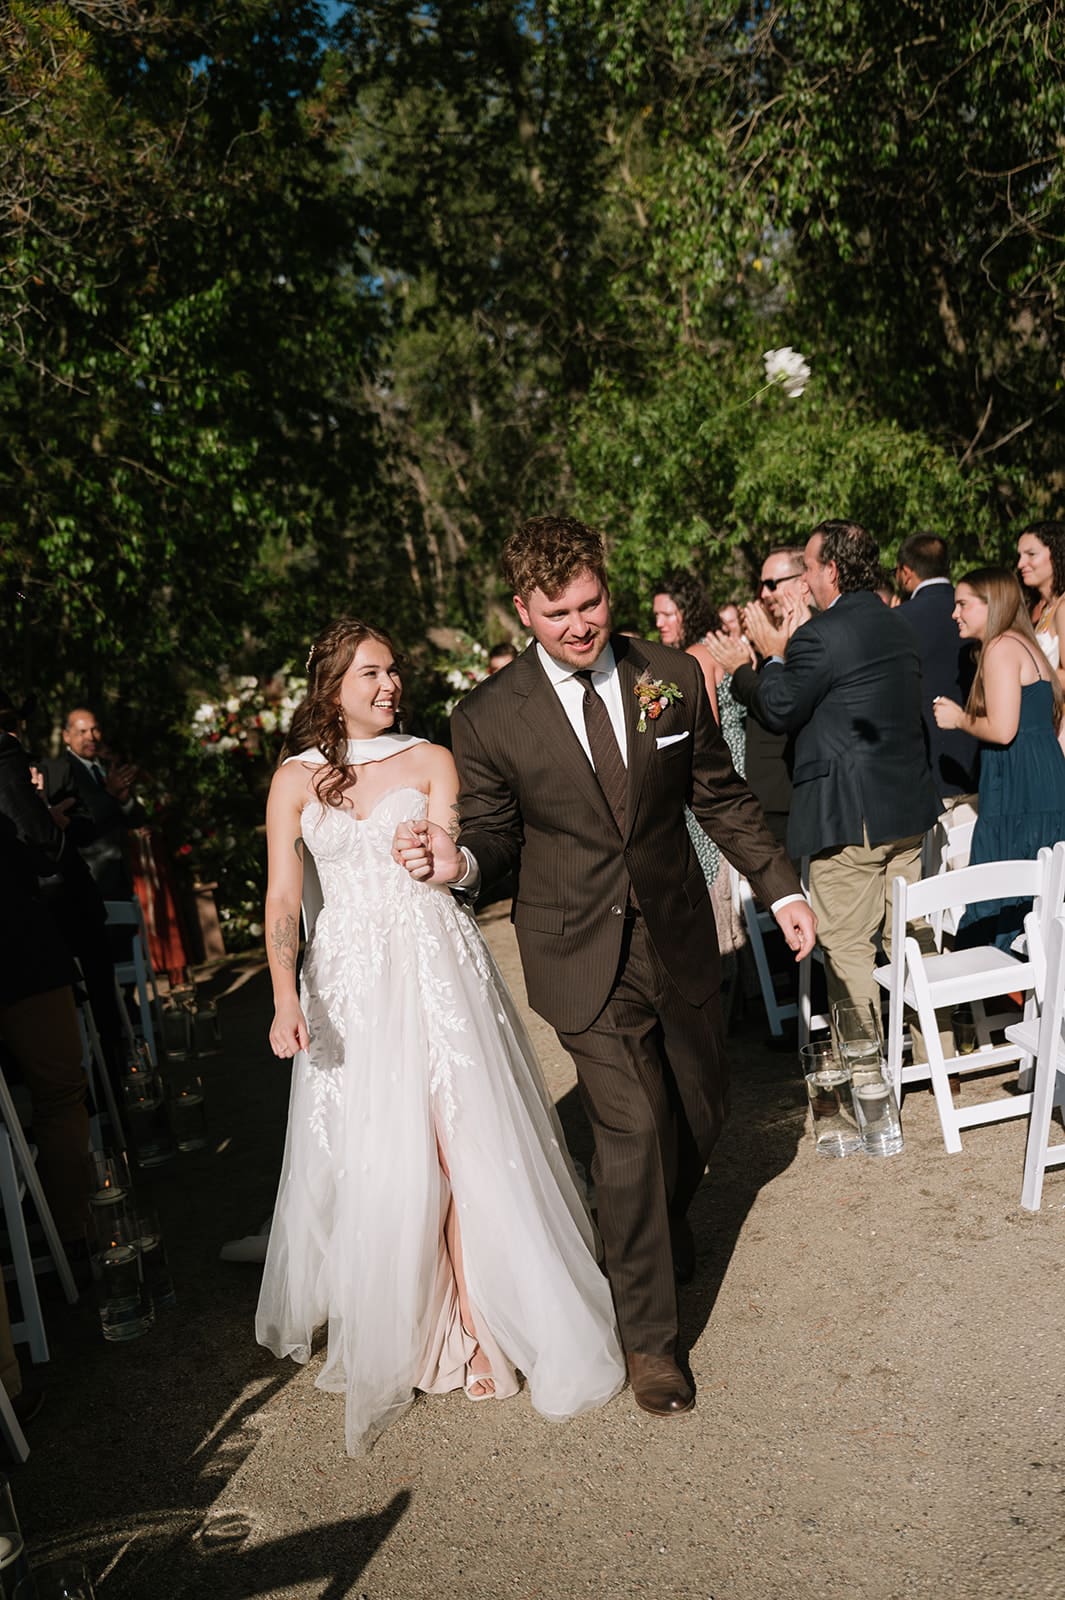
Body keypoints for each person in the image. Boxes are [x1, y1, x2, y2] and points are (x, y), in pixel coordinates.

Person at [393, 516, 814, 1419]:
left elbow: (717, 793)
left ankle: (655, 1230)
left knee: (701, 1110)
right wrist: (456, 866)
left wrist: (778, 888)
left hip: (676, 933)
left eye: (591, 604)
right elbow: (493, 835)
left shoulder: (665, 678)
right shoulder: (487, 717)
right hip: (577, 948)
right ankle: (651, 1342)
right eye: (558, 614)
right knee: (629, 1127)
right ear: (522, 612)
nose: (580, 626)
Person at [256, 619, 625, 1454]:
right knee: (386, 1155)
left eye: (393, 672)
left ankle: (485, 1323)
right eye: (370, 674)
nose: (390, 686)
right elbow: (284, 900)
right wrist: (284, 993)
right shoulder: (291, 782)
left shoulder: (431, 759)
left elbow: (454, 845)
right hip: (348, 981)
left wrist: (438, 853)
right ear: (331, 686)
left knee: (465, 1146)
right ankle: (414, 1327)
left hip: (431, 965)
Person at [707, 520, 940, 1030]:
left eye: (809, 569)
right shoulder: (898, 623)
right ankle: (935, 1047)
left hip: (849, 816)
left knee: (846, 947)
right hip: (907, 809)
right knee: (909, 931)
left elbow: (780, 707)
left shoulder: (820, 634)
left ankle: (865, 1081)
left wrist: (759, 663)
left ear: (832, 569)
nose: (805, 581)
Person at [933, 568, 1065, 949]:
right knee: (1042, 892)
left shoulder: (1000, 648)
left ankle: (1007, 987)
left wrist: (959, 718)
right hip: (1043, 776)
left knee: (1010, 887)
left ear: (992, 605)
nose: (954, 613)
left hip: (1018, 783)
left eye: (962, 604)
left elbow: (1004, 730)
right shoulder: (1024, 643)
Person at [895, 532, 979, 805]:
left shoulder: (899, 619)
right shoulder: (978, 611)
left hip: (925, 760)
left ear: (906, 572)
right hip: (978, 751)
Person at [43, 708, 146, 902]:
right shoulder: (58, 771)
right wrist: (109, 794)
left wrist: (125, 800)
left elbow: (136, 819)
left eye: (95, 730)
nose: (91, 737)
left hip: (123, 876)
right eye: (82, 732)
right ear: (66, 736)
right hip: (89, 879)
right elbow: (78, 822)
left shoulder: (109, 768)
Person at [1016, 521, 1065, 692]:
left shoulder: (1063, 607)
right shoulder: (1044, 609)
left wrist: (1016, 676)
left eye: (1031, 554)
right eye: (1020, 556)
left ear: (1057, 553)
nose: (1021, 564)